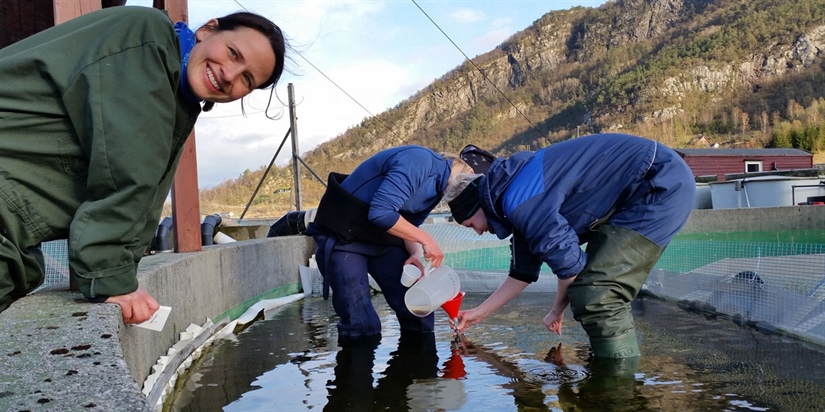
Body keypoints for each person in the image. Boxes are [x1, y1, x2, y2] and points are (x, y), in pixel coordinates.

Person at [0, 6, 287, 324]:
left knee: (20, 271)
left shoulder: (178, 97)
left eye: (247, 78)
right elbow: (130, 168)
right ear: (207, 30)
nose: (229, 75)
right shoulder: (148, 37)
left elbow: (144, 190)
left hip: (13, 223)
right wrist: (110, 274)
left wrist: (118, 271)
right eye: (233, 53)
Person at [448, 133, 695, 358]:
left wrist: (556, 310)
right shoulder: (511, 195)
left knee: (598, 295)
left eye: (471, 224)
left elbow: (570, 269)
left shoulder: (520, 201)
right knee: (587, 291)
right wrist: (478, 314)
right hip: (633, 190)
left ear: (477, 205)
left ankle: (615, 389)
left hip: (657, 183)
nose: (478, 232)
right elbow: (522, 272)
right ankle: (605, 365)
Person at [304, 145, 474, 343]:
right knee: (361, 324)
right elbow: (381, 212)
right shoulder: (420, 162)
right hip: (344, 236)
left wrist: (415, 253)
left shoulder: (439, 191)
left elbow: (409, 225)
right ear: (469, 172)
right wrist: (427, 239)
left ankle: (421, 373)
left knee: (420, 312)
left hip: (382, 240)